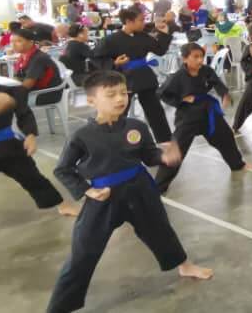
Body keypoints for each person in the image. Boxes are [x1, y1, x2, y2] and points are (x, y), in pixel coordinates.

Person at [47, 70, 212, 312]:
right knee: (84, 250)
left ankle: (184, 266)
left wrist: (163, 157)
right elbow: (63, 169)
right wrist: (87, 191)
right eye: (111, 94)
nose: (119, 99)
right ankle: (61, 306)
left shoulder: (136, 126)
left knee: (160, 231)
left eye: (123, 93)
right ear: (91, 100)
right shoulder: (82, 136)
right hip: (104, 196)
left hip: (140, 189)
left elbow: (148, 155)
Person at [0, 49, 77, 218]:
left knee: (33, 178)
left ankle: (62, 205)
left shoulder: (8, 91)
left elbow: (24, 114)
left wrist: (30, 135)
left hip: (8, 146)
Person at [153, 43, 252, 193]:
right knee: (177, 149)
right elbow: (161, 93)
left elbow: (217, 83)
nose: (200, 60)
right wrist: (180, 100)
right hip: (188, 116)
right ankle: (159, 186)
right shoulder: (177, 77)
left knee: (226, 136)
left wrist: (224, 95)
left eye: (201, 56)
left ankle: (237, 165)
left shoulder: (206, 70)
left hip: (208, 112)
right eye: (195, 57)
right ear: (185, 59)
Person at [92, 6, 174, 145]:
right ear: (129, 21)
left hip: (144, 76)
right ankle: (112, 140)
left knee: (155, 111)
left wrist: (164, 33)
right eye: (141, 20)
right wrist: (114, 63)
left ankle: (165, 140)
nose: (144, 23)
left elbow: (160, 50)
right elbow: (96, 57)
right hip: (124, 78)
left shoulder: (143, 37)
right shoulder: (111, 40)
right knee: (118, 111)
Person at [11, 28, 64, 105]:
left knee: (5, 102)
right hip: (35, 90)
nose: (13, 45)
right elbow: (17, 79)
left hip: (46, 94)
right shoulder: (22, 57)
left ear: (31, 42)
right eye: (11, 41)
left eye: (18, 41)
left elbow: (27, 85)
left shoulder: (38, 58)